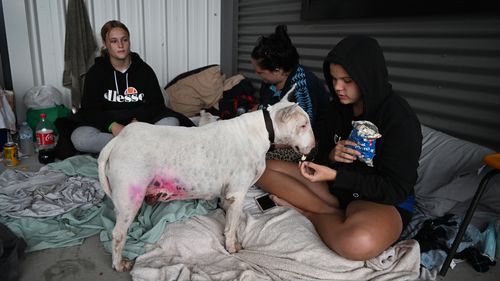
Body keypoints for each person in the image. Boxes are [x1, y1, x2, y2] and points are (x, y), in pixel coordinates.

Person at [256, 35, 423, 260]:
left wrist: (335, 174)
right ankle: (331, 212)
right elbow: (320, 153)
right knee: (261, 168)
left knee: (356, 243)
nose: (338, 88)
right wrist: (331, 157)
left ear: (367, 78)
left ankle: (309, 212)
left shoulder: (399, 119)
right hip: (337, 189)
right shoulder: (336, 109)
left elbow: (395, 188)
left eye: (347, 80)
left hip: (379, 200)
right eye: (334, 79)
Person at [54, 20, 194, 159]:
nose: (120, 45)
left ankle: (122, 149)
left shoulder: (144, 70)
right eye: (114, 41)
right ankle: (143, 147)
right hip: (110, 125)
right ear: (105, 44)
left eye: (124, 40)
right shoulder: (96, 73)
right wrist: (112, 126)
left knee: (171, 123)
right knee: (80, 139)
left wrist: (138, 122)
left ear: (129, 41)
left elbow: (156, 104)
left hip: (139, 123)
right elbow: (90, 109)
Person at [250, 25, 331, 162]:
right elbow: (265, 109)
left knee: (254, 157)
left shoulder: (302, 89)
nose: (257, 75)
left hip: (305, 144)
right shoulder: (270, 81)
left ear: (276, 70)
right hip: (277, 135)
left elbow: (300, 133)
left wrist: (263, 144)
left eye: (259, 72)